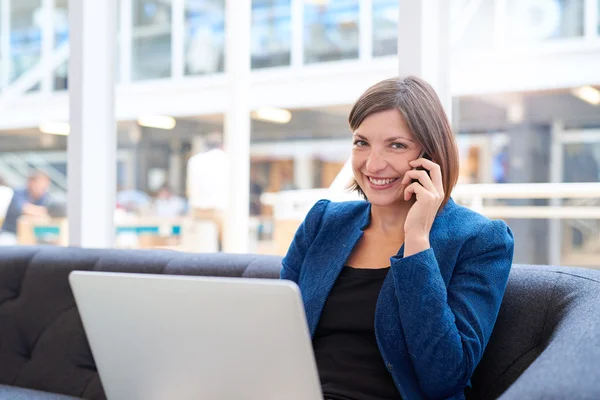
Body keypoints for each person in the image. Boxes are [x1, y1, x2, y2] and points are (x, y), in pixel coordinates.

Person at [281, 76, 515, 400]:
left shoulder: (481, 240)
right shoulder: (323, 222)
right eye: (361, 143)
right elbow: (278, 333)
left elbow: (444, 377)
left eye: (397, 145)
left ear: (431, 155)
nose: (373, 164)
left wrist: (417, 240)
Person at [0, 170, 51, 245]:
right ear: (30, 183)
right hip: (11, 234)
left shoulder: (44, 197)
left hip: (33, 235)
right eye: (40, 184)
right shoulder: (18, 192)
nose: (43, 187)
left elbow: (50, 212)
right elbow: (25, 209)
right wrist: (41, 212)